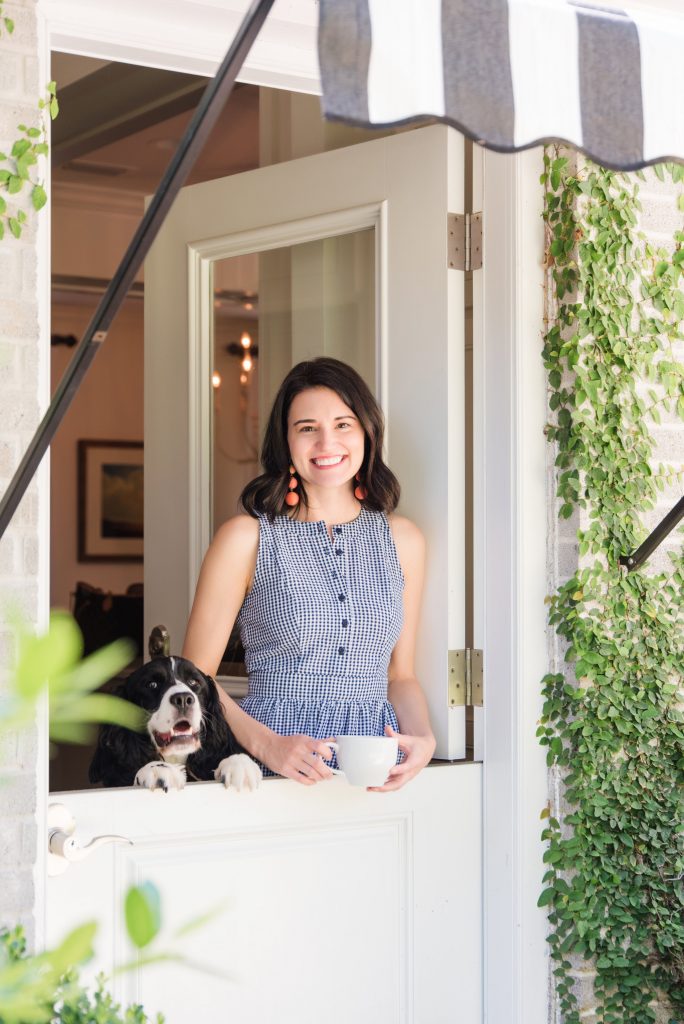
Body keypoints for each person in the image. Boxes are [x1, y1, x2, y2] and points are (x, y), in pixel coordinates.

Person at [182, 357, 435, 790]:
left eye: (342, 424)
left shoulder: (404, 540)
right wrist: (268, 746)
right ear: (286, 441)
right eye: (306, 428)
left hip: (371, 773)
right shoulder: (246, 538)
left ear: (367, 432)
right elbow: (193, 678)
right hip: (269, 770)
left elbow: (401, 676)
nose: (326, 442)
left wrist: (424, 739)